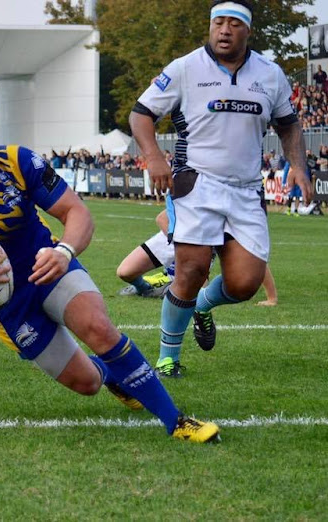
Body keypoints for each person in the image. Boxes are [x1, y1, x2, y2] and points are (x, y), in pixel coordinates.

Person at [0, 118, 220, 443]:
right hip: (5, 302)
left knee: (98, 327)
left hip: (48, 265)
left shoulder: (16, 162)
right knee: (87, 383)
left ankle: (177, 422)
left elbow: (76, 212)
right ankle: (113, 374)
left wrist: (65, 251)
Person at [129, 0, 313, 378]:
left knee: (244, 284)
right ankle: (168, 358)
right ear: (211, 27)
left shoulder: (270, 73)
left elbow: (289, 124)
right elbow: (141, 113)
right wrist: (154, 157)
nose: (224, 30)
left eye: (233, 24)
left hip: (246, 190)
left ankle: (202, 307)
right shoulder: (184, 68)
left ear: (248, 31)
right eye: (218, 23)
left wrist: (298, 166)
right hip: (196, 182)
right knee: (191, 269)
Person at [116, 209, 174, 298]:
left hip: (197, 240)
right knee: (124, 272)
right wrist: (178, 243)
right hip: (172, 237)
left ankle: (173, 287)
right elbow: (162, 218)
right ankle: (144, 288)